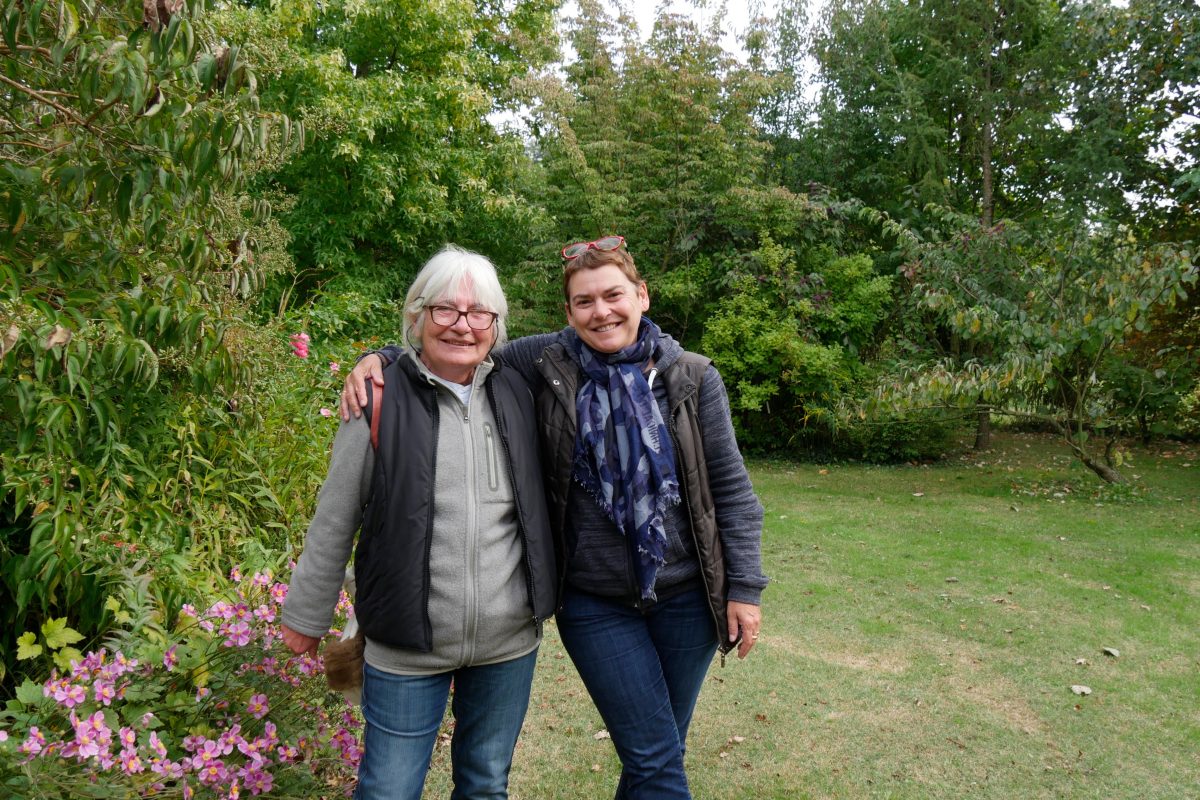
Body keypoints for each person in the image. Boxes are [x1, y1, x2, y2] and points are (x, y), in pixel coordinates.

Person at [343, 235, 767, 799]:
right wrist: (383, 358)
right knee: (656, 757)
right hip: (594, 602)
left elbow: (732, 492)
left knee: (658, 752)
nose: (602, 311)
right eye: (585, 301)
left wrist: (745, 588)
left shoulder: (690, 378)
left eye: (613, 295)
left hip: (687, 599)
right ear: (568, 313)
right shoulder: (546, 362)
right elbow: (463, 348)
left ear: (641, 295)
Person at [281, 245, 557, 800]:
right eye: (444, 310)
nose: (461, 325)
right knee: (388, 789)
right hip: (405, 646)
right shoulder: (378, 396)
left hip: (508, 644)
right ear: (417, 315)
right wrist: (306, 617)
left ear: (496, 324)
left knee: (484, 785)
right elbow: (333, 521)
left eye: (478, 313)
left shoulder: (520, 390)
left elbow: (598, 336)